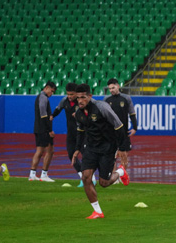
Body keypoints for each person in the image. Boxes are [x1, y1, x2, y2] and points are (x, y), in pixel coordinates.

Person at [72, 84, 130, 219]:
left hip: (107, 147)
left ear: (90, 96)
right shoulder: (79, 113)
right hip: (91, 148)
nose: (80, 101)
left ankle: (121, 171)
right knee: (86, 177)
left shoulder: (101, 107)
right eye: (77, 98)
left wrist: (122, 148)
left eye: (83, 97)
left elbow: (119, 126)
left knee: (104, 183)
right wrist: (77, 149)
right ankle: (97, 211)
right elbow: (80, 131)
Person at [52, 82, 89, 187]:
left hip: (82, 132)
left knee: (86, 155)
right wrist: (51, 116)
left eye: (72, 94)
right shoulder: (64, 101)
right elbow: (58, 109)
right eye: (68, 94)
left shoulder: (81, 102)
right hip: (71, 133)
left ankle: (91, 178)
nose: (69, 97)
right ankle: (82, 177)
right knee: (71, 154)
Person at [104, 78, 137, 170]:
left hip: (123, 130)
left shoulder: (126, 98)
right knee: (111, 155)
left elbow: (132, 113)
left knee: (124, 154)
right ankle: (114, 176)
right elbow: (103, 116)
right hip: (111, 131)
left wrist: (135, 127)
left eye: (113, 88)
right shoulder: (106, 99)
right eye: (110, 89)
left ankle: (123, 175)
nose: (111, 90)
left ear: (118, 86)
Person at [29, 81, 57, 182]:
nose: (51, 94)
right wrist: (49, 130)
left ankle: (32, 174)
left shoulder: (40, 97)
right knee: (50, 151)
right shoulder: (43, 98)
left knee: (39, 151)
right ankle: (44, 174)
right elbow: (43, 114)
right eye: (51, 91)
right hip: (44, 130)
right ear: (46, 88)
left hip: (38, 128)